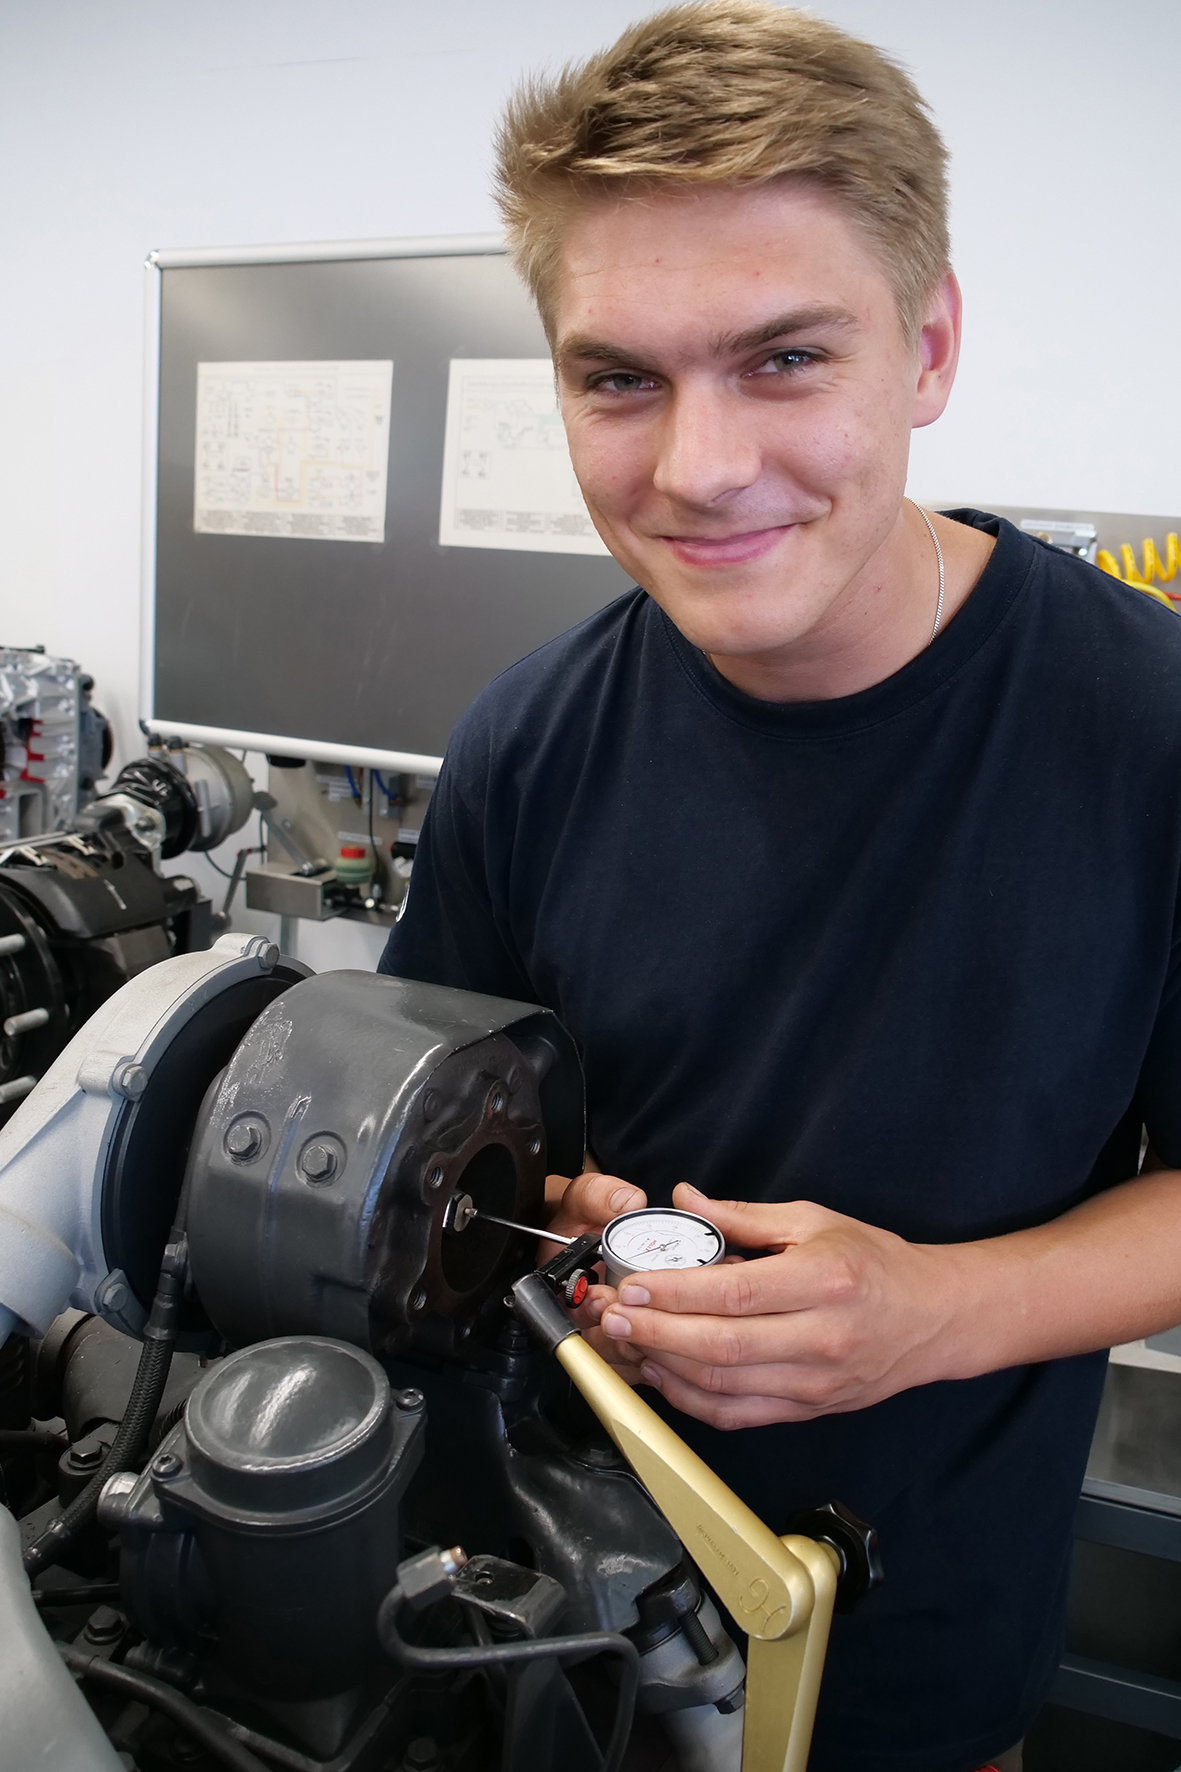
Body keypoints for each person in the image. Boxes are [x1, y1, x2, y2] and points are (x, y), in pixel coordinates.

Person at [379, 6, 1181, 1767]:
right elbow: (433, 1145)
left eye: (785, 359)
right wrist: (529, 1222)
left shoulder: (1147, 731)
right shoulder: (524, 741)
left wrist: (931, 1314)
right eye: (617, 378)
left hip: (917, 1659)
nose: (699, 468)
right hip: (549, 1633)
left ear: (931, 343)